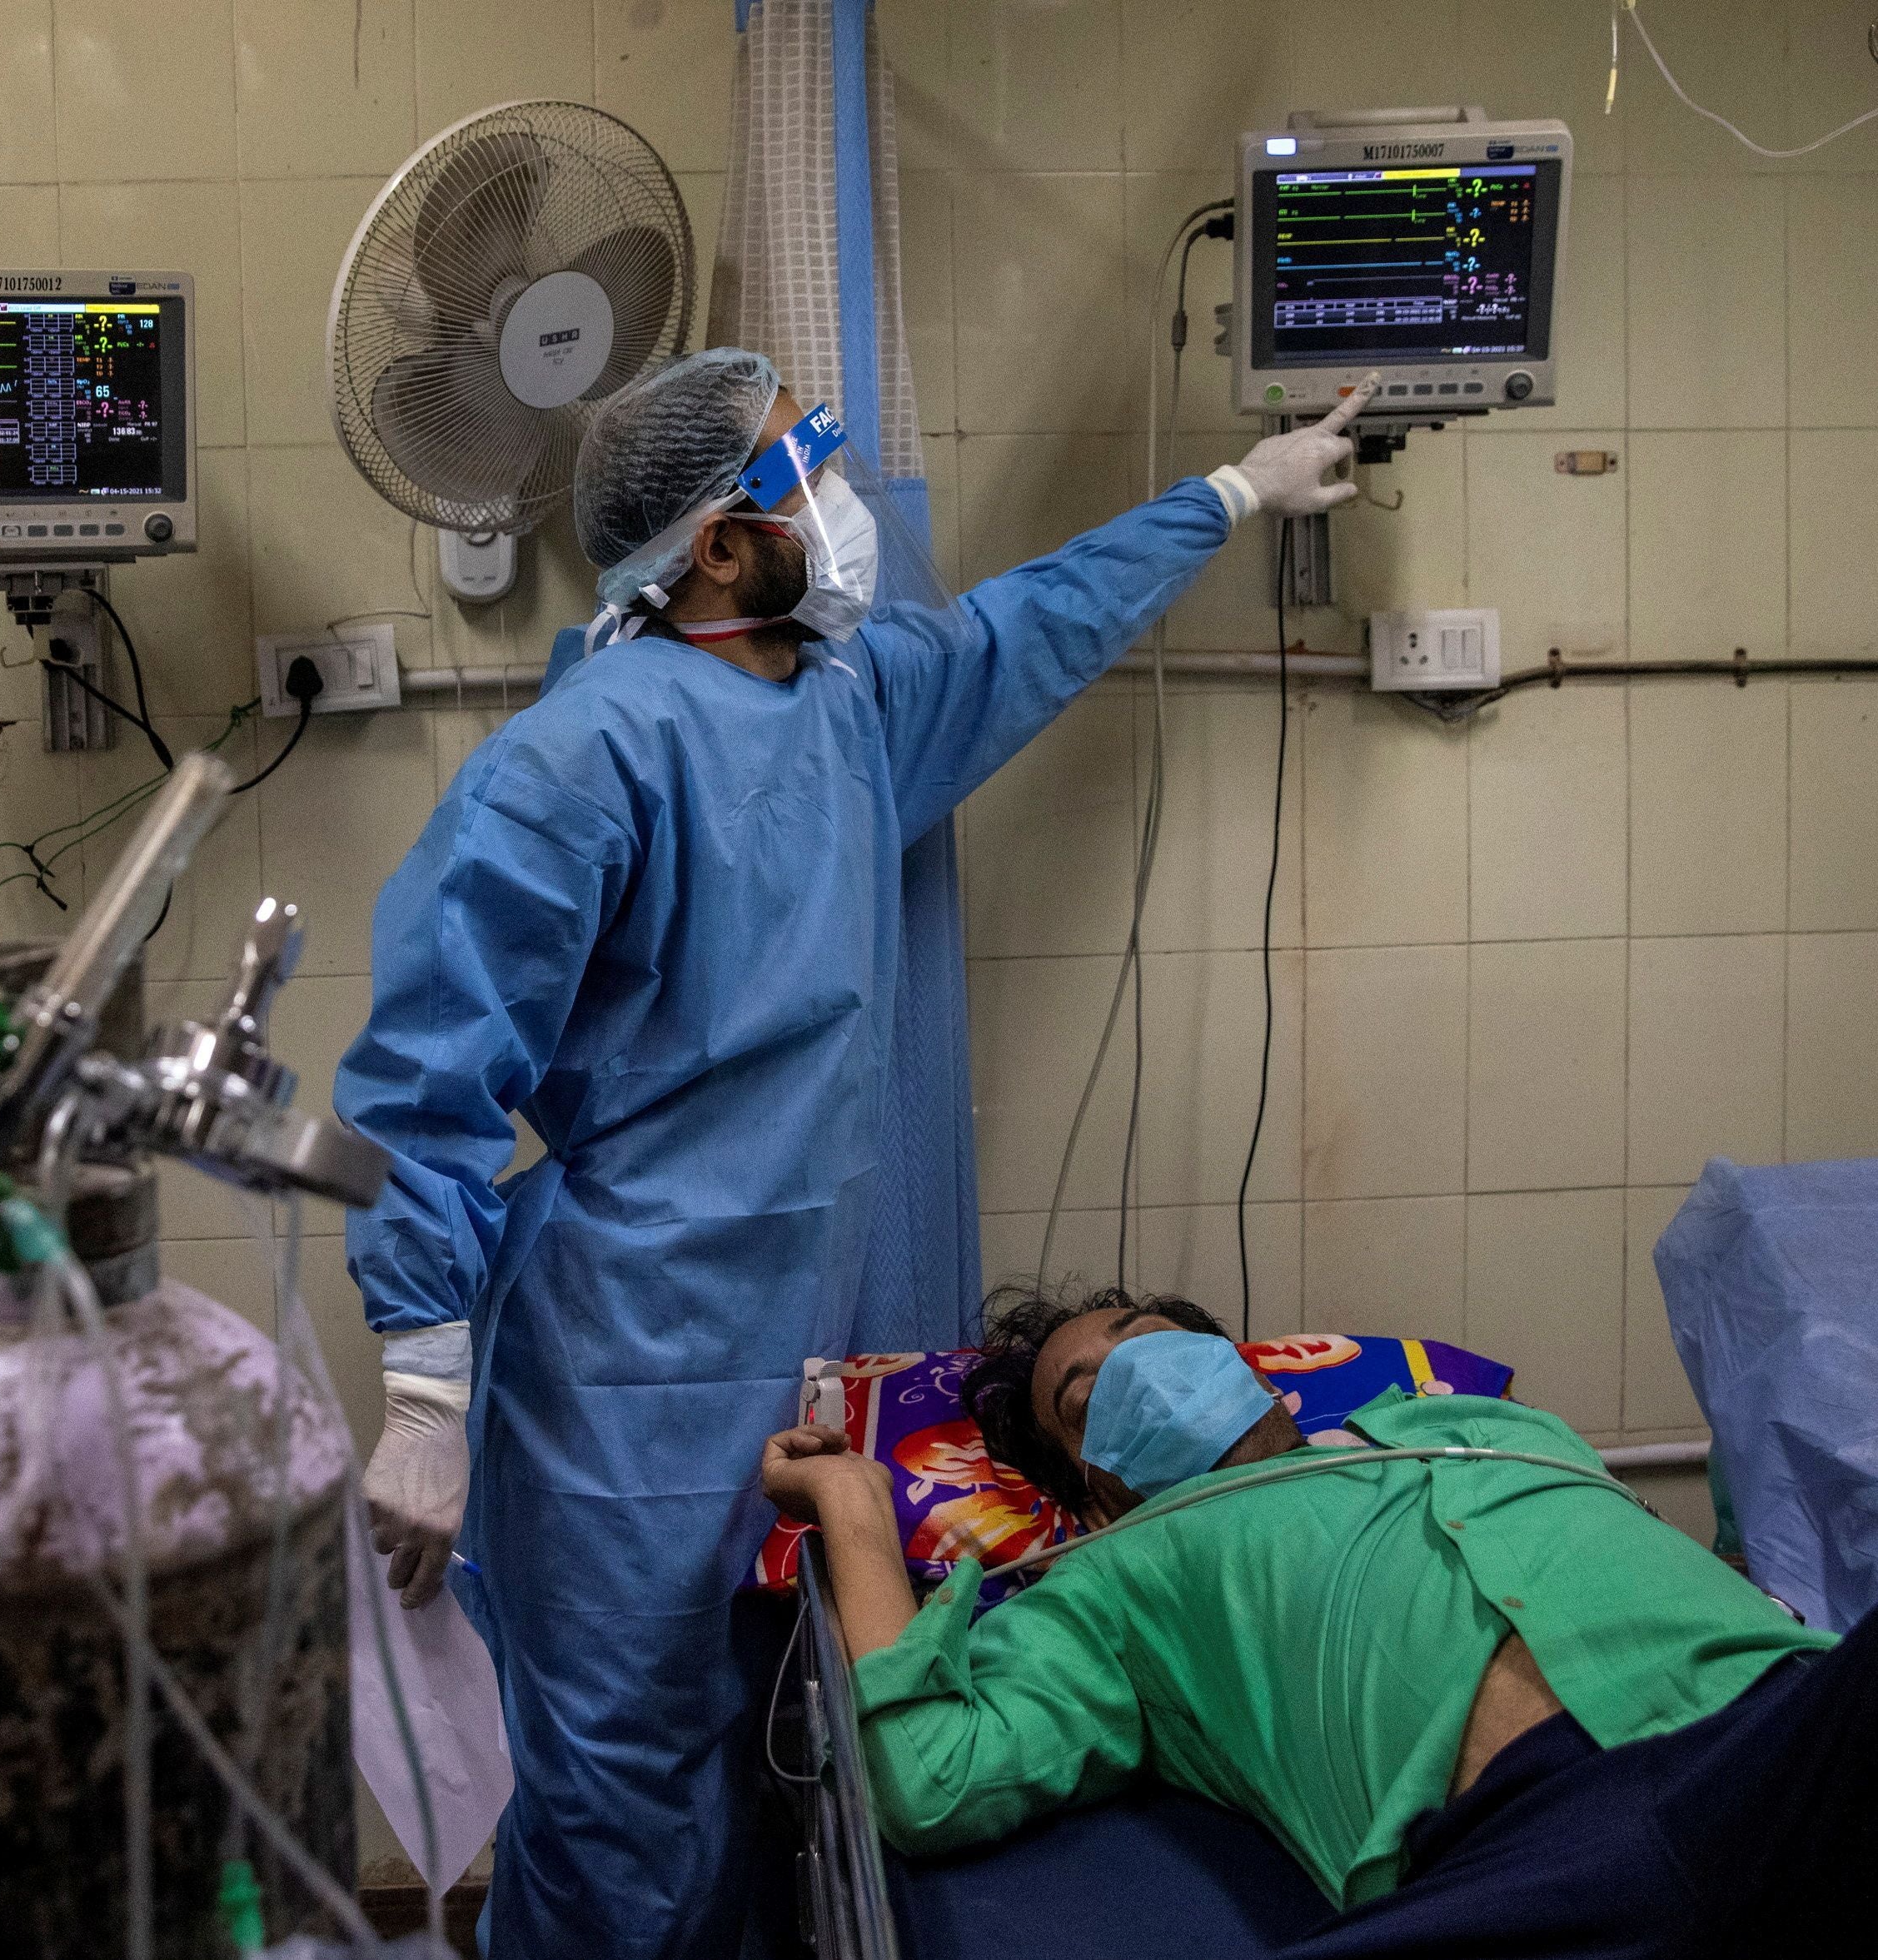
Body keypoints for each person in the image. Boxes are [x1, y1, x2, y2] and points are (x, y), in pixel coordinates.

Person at [335, 341, 1374, 1958]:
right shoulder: (575, 761)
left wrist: (1233, 494)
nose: (842, 491)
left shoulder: (846, 703)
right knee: (626, 1813)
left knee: (765, 1778)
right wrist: (419, 1385)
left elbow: (1023, 627)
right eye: (802, 463)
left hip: (776, 1353)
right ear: (724, 545)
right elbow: (425, 1082)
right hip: (625, 1379)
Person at [762, 1289, 1870, 1958]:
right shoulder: (1107, 1575)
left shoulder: (1475, 1423)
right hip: (1531, 1848)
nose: (1133, 1366)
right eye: (1084, 1392)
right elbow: (929, 1775)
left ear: (1260, 1378)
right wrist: (857, 1507)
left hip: (1768, 1727)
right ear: (1091, 1485)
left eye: (1149, 1336)